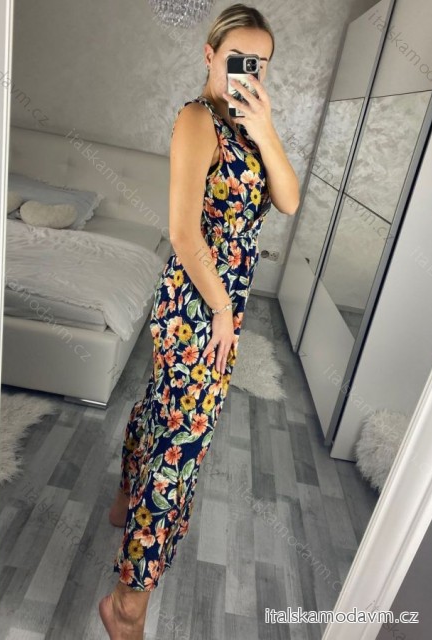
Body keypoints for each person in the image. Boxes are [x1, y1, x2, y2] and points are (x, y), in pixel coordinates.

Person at [99, 3, 299, 637]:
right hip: (199, 304)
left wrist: (267, 128)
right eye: (238, 58)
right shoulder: (196, 121)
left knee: (163, 407)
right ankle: (127, 604)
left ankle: (125, 499)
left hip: (218, 307)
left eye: (260, 63)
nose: (248, 71)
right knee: (181, 448)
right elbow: (185, 235)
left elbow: (289, 199)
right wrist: (221, 313)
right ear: (210, 55)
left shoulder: (251, 127)